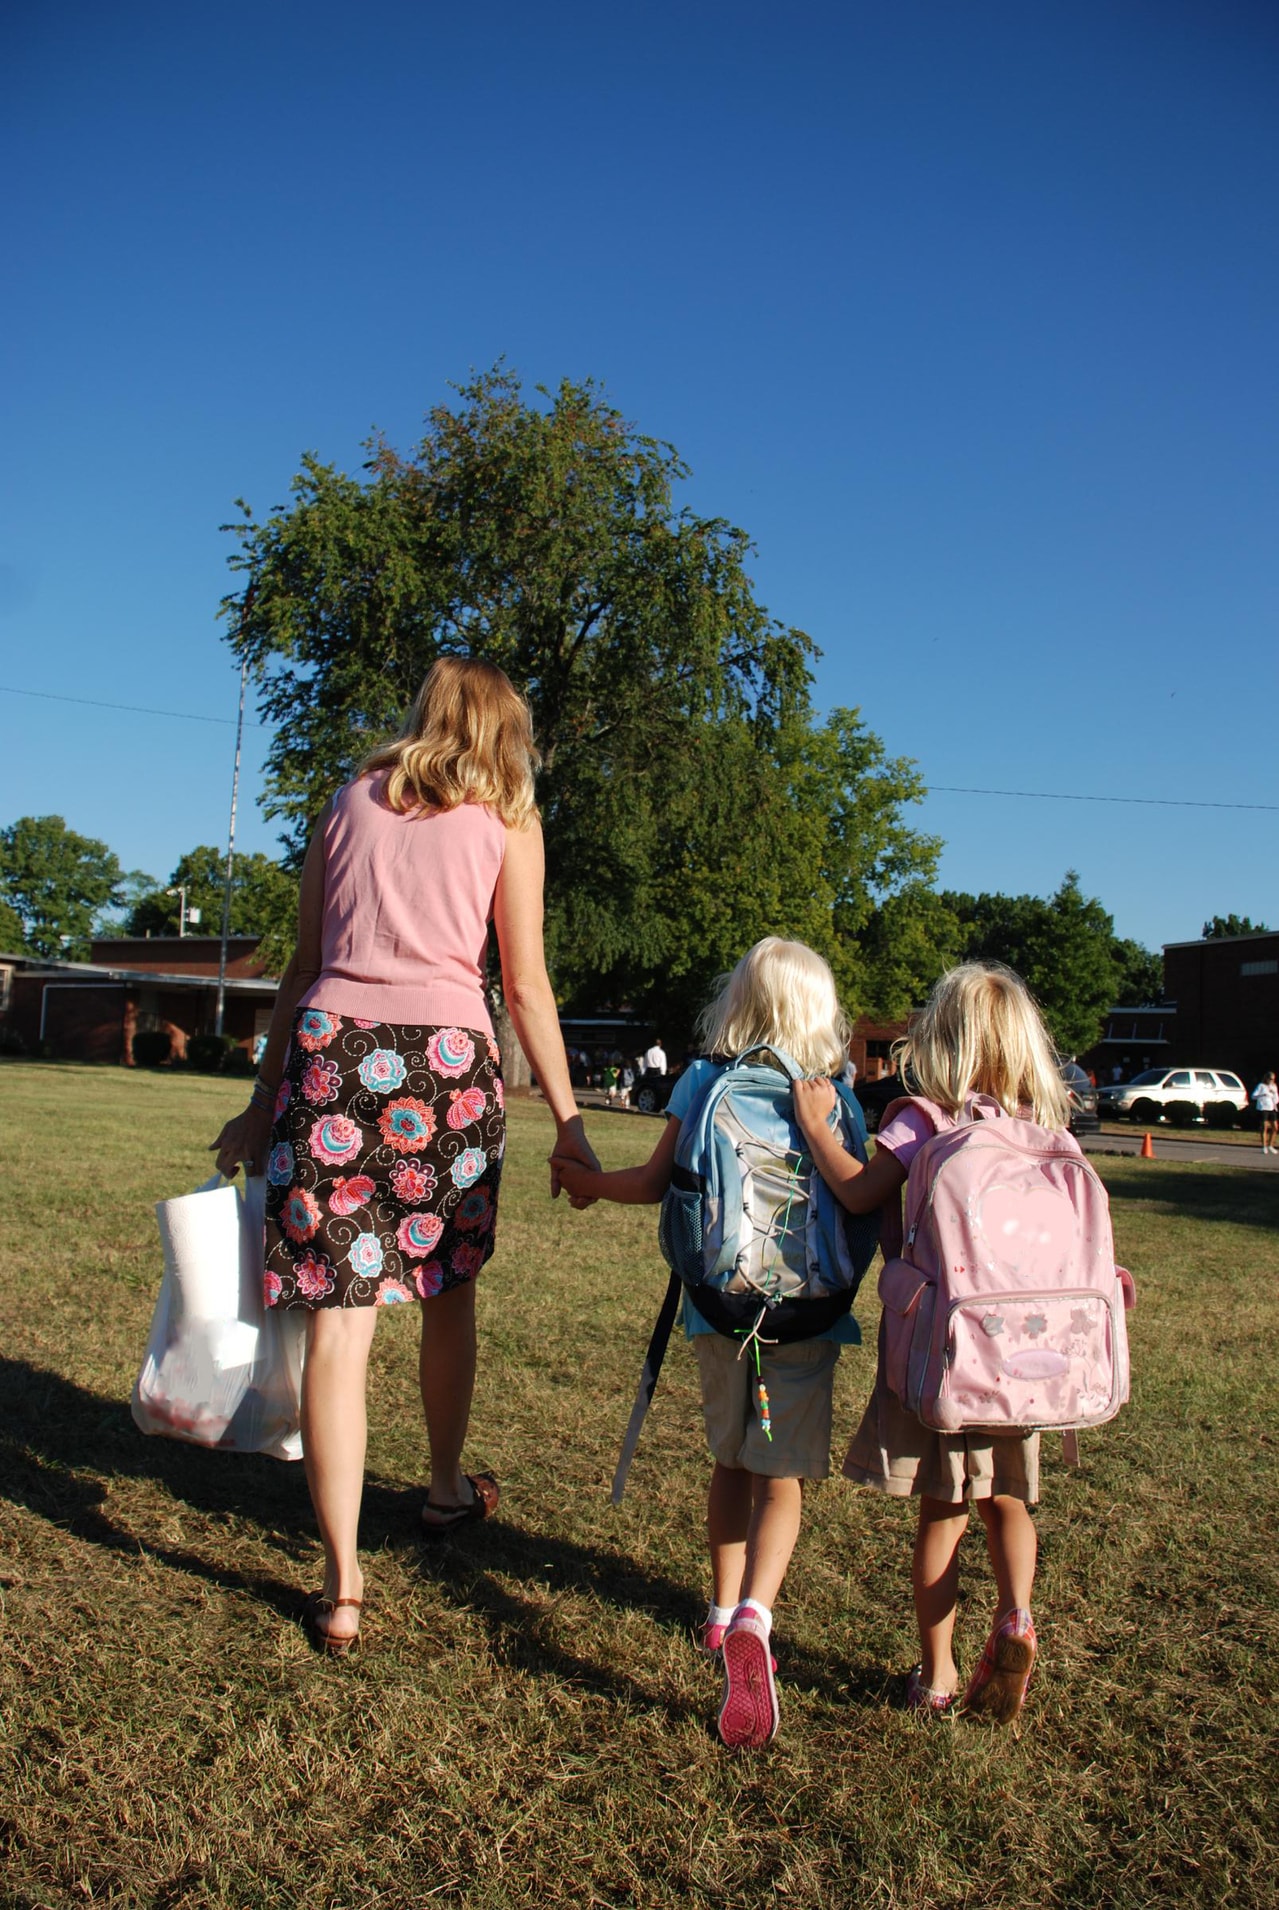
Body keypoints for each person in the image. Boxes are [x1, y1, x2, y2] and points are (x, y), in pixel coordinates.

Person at [212, 658, 597, 1655]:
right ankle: (439, 1490)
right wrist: (569, 1119)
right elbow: (526, 987)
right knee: (446, 1288)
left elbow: (301, 965)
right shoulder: (507, 815)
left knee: (338, 1330)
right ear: (503, 729)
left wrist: (261, 1104)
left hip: (330, 1061)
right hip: (447, 1072)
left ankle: (343, 1585)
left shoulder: (345, 802)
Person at [552, 938, 861, 1749]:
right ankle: (759, 1614)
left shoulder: (702, 1077)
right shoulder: (834, 1092)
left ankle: (721, 1615)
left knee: (728, 1461)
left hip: (717, 1306)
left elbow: (657, 1183)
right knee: (782, 1478)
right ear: (820, 1012)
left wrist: (584, 1183)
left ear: (737, 1002)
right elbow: (859, 1198)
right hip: (805, 1315)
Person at [793, 962, 1068, 1725]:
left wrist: (817, 1127)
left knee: (942, 1512)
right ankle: (1014, 1617)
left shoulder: (921, 1119)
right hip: (1026, 1356)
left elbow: (856, 1190)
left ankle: (938, 1673)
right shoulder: (1038, 1124)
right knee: (1009, 1499)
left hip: (942, 1354)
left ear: (937, 1040)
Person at [1252, 1071, 1279, 1153]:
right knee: (1264, 1127)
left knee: (1275, 1128)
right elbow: (1253, 1096)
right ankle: (1264, 1146)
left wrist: (1274, 1094)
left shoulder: (1274, 1086)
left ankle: (1270, 1145)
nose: (1272, 1081)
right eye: (1270, 1079)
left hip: (1272, 1108)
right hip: (1263, 1108)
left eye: (1273, 1079)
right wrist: (1262, 1095)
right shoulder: (1261, 1086)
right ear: (1266, 1078)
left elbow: (1276, 1099)